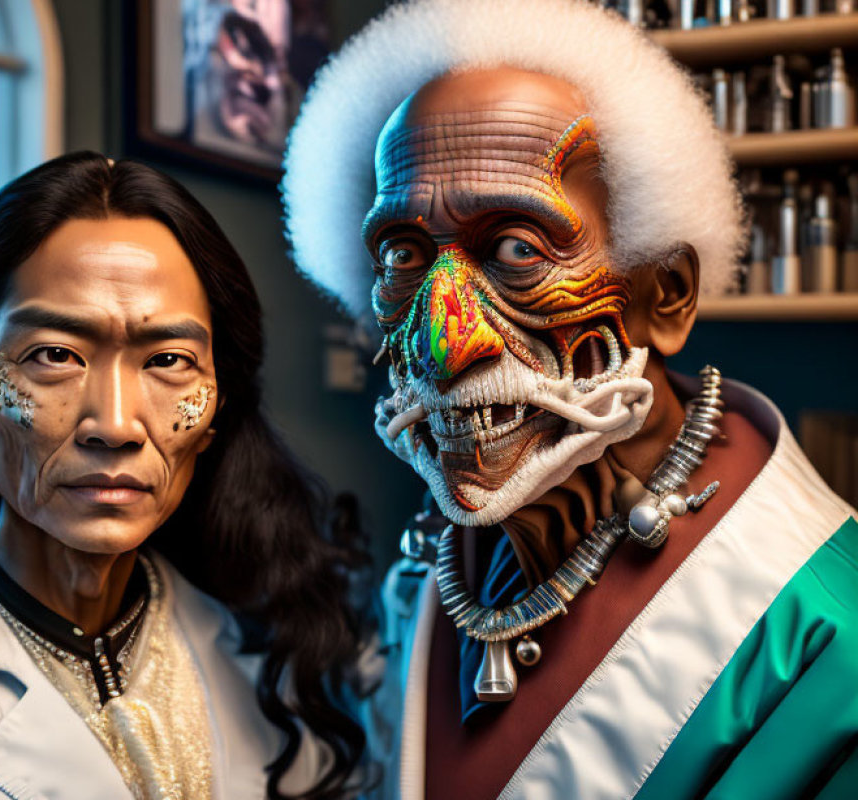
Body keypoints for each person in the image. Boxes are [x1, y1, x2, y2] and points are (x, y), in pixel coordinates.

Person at [281, 0, 858, 797]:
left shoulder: (828, 639)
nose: (446, 341)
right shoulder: (430, 564)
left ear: (665, 294)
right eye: (406, 254)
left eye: (518, 248)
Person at [0, 152, 370, 800]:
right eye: (54, 355)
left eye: (168, 360)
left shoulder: (283, 652)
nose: (117, 424)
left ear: (217, 406)